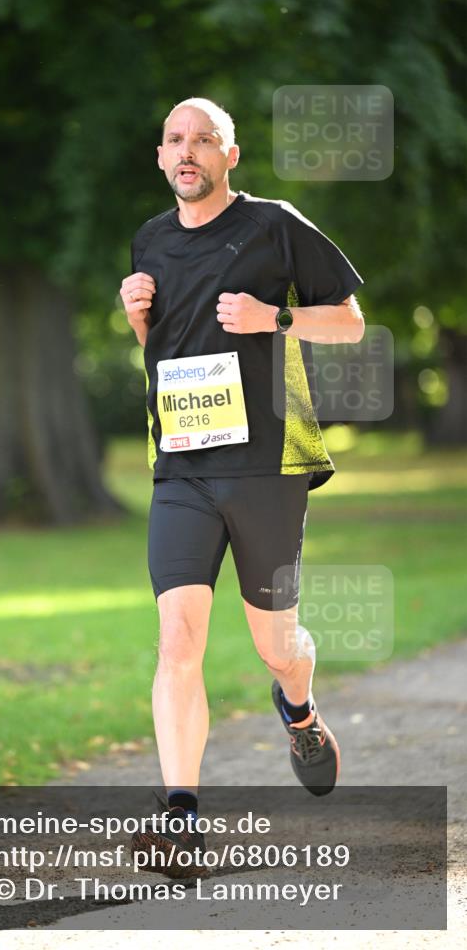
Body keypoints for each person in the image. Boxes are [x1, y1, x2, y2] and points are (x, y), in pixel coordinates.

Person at [120, 97, 365, 879]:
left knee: (274, 645)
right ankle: (181, 817)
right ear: (161, 158)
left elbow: (351, 321)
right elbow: (167, 353)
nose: (187, 152)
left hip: (267, 466)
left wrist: (276, 318)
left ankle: (297, 706)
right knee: (177, 639)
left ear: (230, 155)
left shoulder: (273, 225)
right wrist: (137, 320)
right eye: (175, 141)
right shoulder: (150, 240)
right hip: (184, 466)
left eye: (203, 140)